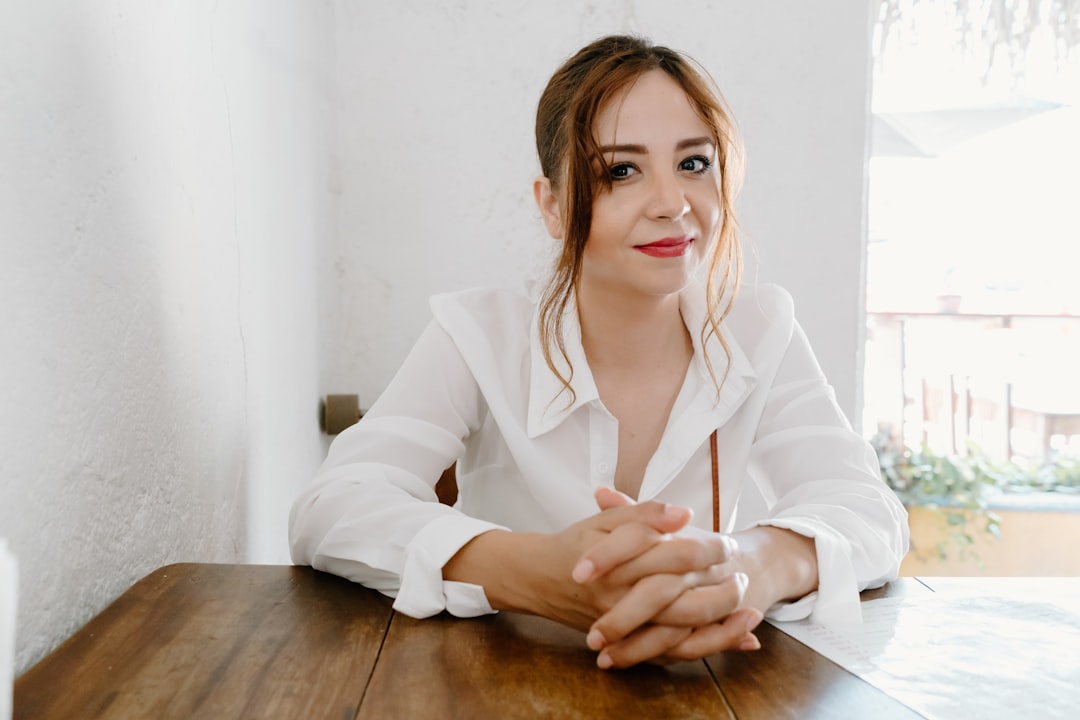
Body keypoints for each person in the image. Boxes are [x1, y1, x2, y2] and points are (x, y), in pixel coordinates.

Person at [290, 34, 908, 670]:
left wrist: (747, 566)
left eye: (694, 163)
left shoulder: (760, 326)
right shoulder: (478, 334)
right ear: (553, 206)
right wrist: (535, 573)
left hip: (704, 686)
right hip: (504, 685)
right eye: (621, 170)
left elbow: (868, 509)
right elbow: (331, 505)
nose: (672, 203)